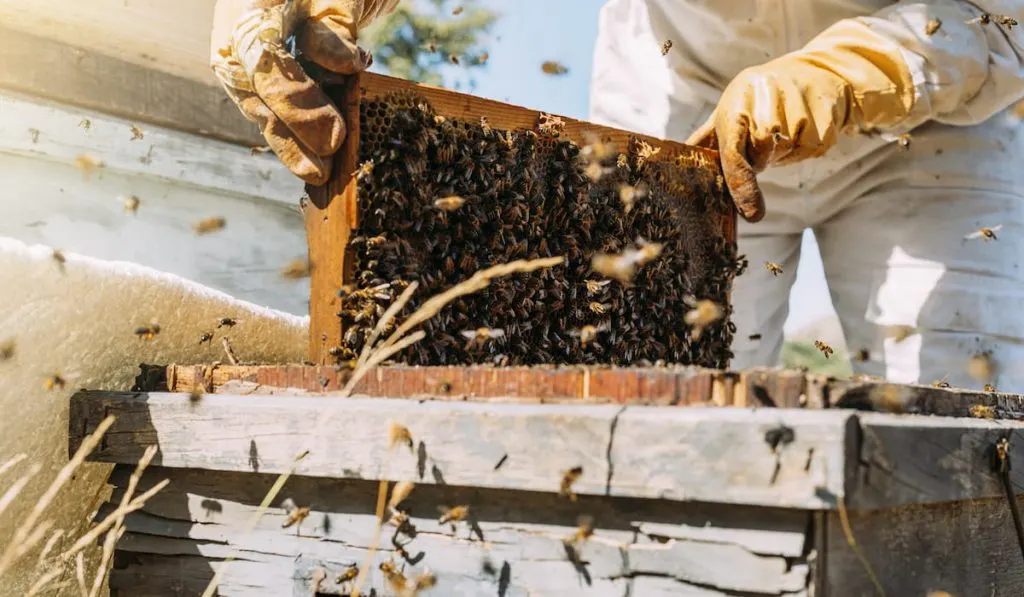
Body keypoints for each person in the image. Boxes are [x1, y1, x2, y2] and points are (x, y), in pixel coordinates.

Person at [212, 0, 1024, 391]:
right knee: (667, 402)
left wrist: (859, 70)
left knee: (965, 404)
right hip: (684, 92)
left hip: (931, 112)